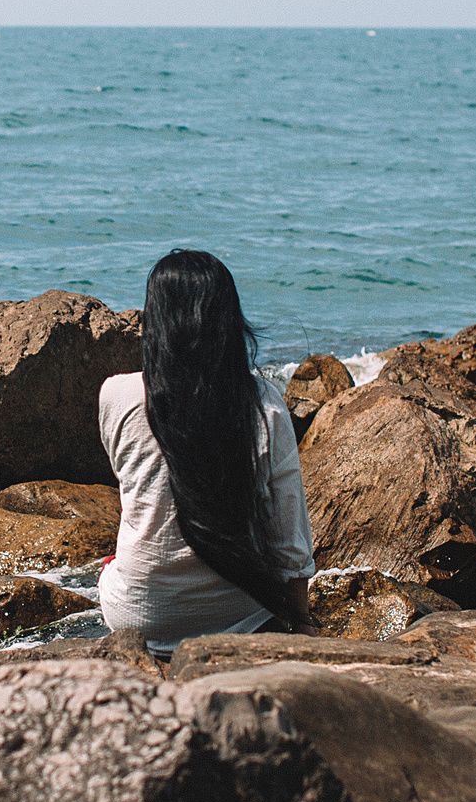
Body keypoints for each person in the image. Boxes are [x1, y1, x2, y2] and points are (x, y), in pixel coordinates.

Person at [97, 249, 316, 650]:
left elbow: (131, 488)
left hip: (142, 615)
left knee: (114, 558)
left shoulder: (117, 395)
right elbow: (290, 537)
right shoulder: (263, 404)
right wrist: (301, 625)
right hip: (240, 615)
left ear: (154, 321)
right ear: (230, 321)